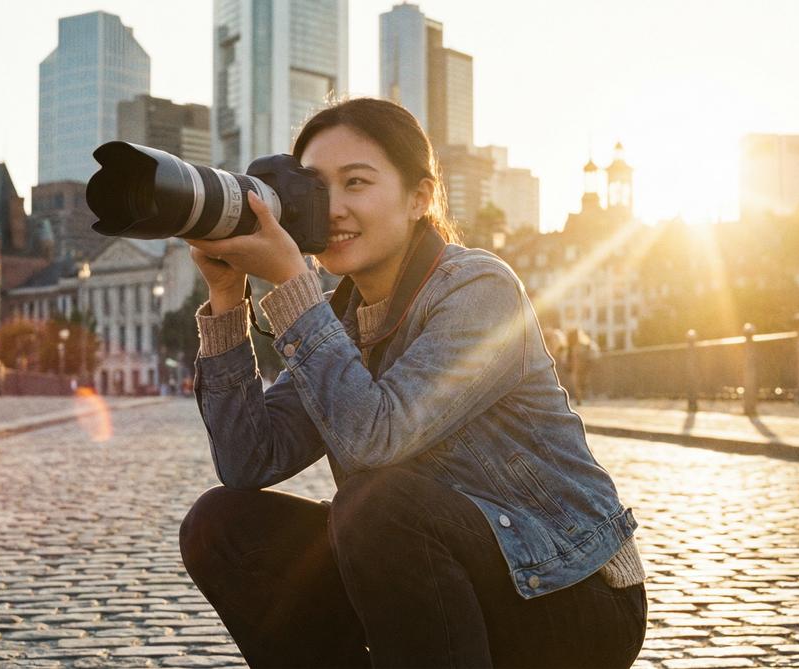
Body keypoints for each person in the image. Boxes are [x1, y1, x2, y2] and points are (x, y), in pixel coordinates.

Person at [178, 98, 646, 668]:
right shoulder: (335, 321)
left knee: (374, 503)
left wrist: (290, 280)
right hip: (447, 579)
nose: (335, 210)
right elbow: (249, 462)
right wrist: (228, 297)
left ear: (420, 197)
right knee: (221, 524)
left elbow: (377, 439)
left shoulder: (479, 289)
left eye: (357, 183)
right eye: (319, 191)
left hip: (571, 595)